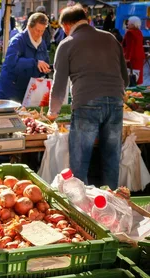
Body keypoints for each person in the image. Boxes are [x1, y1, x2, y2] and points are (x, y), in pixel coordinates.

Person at [48, 4, 128, 190]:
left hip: (87, 104)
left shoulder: (67, 43)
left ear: (66, 26)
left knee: (80, 161)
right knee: (111, 159)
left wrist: (53, 112)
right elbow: (125, 78)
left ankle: (81, 210)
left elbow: (59, 84)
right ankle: (111, 206)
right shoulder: (110, 38)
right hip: (116, 102)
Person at [0, 13, 50, 103]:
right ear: (29, 27)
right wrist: (35, 63)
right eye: (37, 30)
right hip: (11, 91)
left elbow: (44, 61)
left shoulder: (42, 44)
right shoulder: (17, 41)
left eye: (42, 31)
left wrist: (45, 69)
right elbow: (11, 64)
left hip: (29, 90)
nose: (40, 34)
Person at [122, 16, 145, 85]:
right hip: (139, 56)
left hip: (132, 58)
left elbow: (129, 47)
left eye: (128, 22)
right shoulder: (139, 32)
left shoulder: (130, 33)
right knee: (137, 74)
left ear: (132, 24)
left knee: (131, 75)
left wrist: (127, 58)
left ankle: (131, 90)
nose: (127, 24)